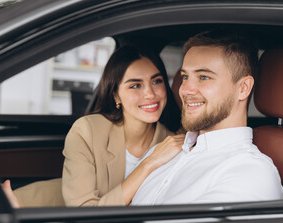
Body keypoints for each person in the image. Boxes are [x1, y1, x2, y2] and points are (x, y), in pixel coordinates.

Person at [131, 30, 283, 205]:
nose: (185, 89)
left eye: (203, 77)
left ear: (243, 88)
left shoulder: (250, 173)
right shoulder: (162, 151)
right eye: (185, 76)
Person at [62, 45, 185, 206]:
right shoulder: (87, 132)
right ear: (116, 95)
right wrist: (148, 164)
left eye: (156, 81)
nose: (150, 94)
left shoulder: (175, 145)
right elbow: (82, 212)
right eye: (135, 85)